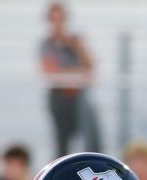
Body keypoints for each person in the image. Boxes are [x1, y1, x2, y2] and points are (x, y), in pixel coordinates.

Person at [40, 2, 99, 156]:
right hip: (59, 96)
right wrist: (78, 73)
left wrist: (78, 46)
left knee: (89, 133)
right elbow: (51, 71)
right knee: (62, 140)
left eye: (61, 18)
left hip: (77, 95)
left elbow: (90, 65)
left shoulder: (75, 42)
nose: (58, 23)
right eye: (54, 19)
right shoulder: (47, 44)